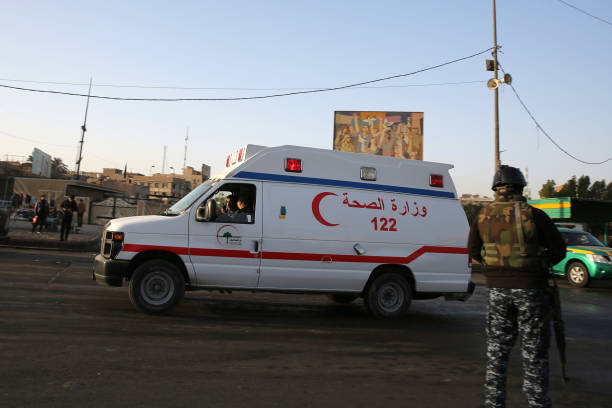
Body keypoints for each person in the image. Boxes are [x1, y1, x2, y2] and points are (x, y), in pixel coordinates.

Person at [468, 165, 566, 408]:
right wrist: (539, 264)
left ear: (495, 189)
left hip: (497, 291)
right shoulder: (535, 215)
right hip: (532, 290)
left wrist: (495, 266)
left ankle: (494, 403)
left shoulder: (482, 216)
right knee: (534, 353)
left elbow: (472, 251)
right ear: (521, 188)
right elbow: (559, 251)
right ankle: (537, 402)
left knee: (497, 352)